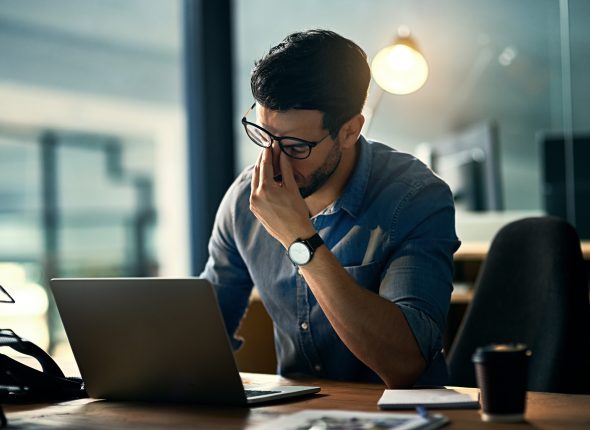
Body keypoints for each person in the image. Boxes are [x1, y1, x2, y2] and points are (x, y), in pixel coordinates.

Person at [201, 29, 460, 388]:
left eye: (294, 146)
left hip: (399, 418)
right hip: (293, 416)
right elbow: (204, 331)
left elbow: (406, 363)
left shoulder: (415, 198)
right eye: (264, 136)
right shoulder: (246, 198)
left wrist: (298, 238)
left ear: (350, 131)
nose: (274, 161)